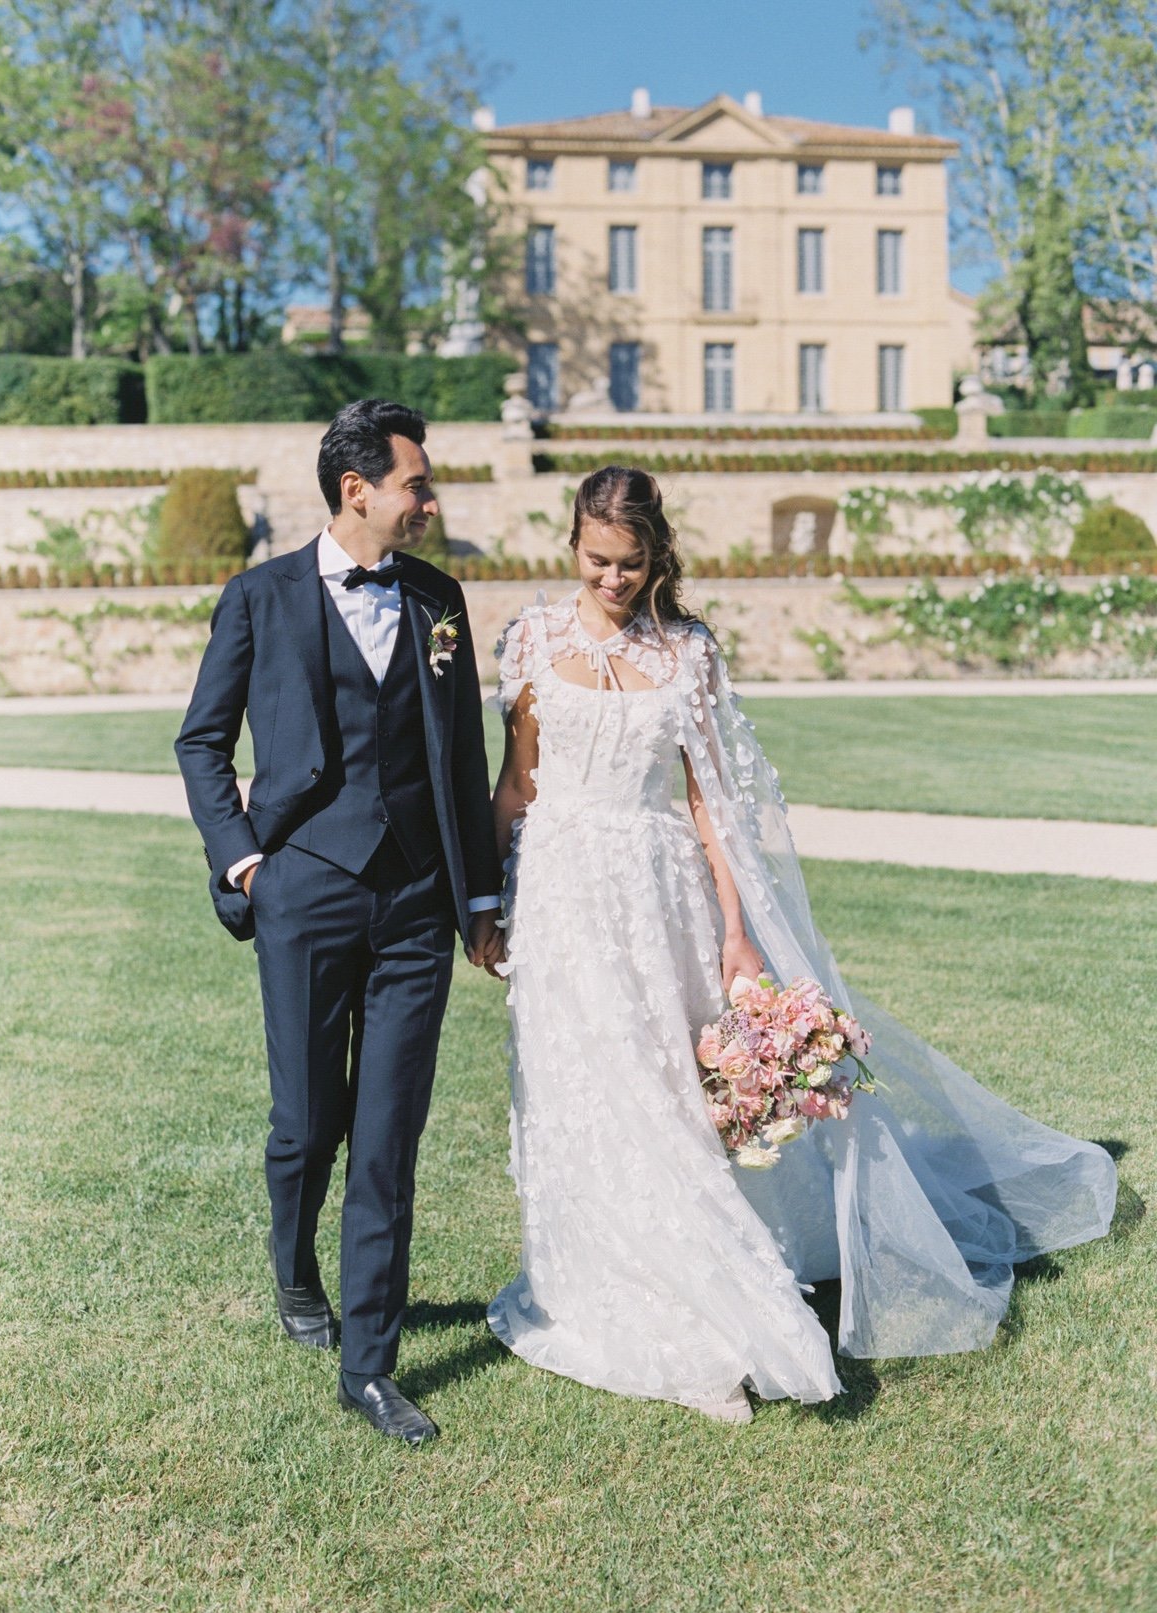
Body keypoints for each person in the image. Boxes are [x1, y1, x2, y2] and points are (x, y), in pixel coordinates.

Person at [486, 464, 1116, 1423]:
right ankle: (597, 1285)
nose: (612, 578)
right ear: (572, 544)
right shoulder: (529, 640)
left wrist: (738, 933)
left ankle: (710, 1288)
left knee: (668, 1094)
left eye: (631, 562)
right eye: (596, 559)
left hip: (664, 897)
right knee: (583, 1093)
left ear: (656, 555)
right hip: (562, 899)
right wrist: (490, 904)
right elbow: (516, 784)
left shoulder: (688, 652)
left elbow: (712, 804)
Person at [176, 399, 503, 1446]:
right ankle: (293, 1267)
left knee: (389, 1134)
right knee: (308, 1120)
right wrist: (248, 863)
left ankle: (370, 1361)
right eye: (418, 481)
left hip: (415, 902)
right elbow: (201, 743)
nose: (431, 499)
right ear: (357, 489)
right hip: (304, 892)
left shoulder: (439, 601)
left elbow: (461, 762)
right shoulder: (259, 598)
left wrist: (480, 898)